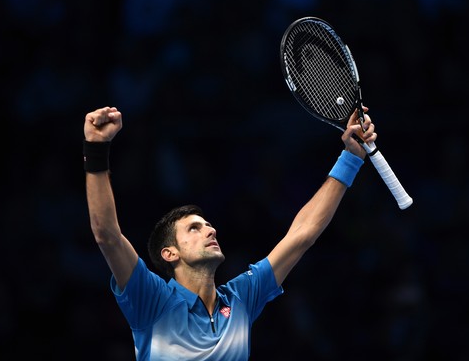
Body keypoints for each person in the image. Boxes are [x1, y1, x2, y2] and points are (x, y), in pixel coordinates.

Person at [83, 105, 377, 360]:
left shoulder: (240, 298)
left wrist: (351, 157)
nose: (210, 229)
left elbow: (302, 234)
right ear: (169, 253)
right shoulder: (152, 300)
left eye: (208, 224)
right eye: (194, 228)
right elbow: (107, 235)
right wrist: (96, 149)